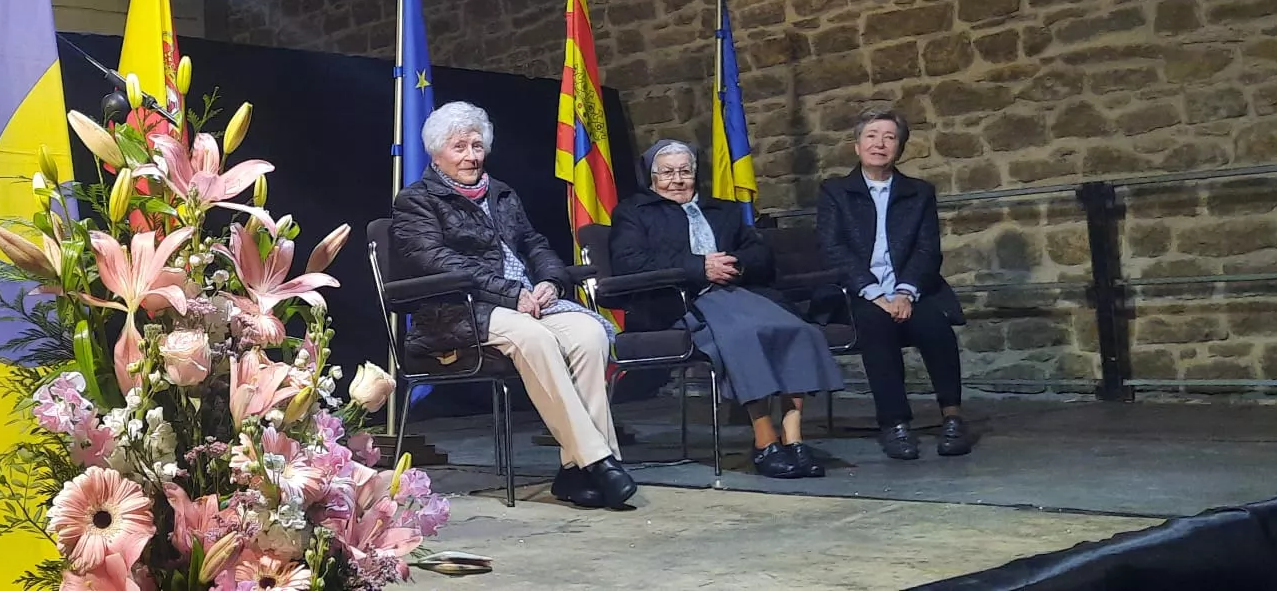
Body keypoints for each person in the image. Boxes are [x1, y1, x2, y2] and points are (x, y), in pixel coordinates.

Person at [391, 102, 636, 509]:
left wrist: (550, 282)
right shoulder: (416, 201)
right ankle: (599, 460)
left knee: (589, 333)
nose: (471, 155)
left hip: (523, 302)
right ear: (436, 153)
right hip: (457, 311)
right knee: (534, 337)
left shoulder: (501, 193)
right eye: (459, 147)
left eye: (476, 145)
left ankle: (576, 469)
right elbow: (433, 260)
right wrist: (509, 292)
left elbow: (534, 243)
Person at [608, 140, 845, 479]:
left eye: (685, 171)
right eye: (668, 173)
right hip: (679, 301)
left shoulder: (723, 210)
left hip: (740, 292)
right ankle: (765, 442)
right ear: (651, 177)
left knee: (801, 331)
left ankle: (794, 440)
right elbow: (629, 262)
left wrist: (735, 264)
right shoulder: (634, 212)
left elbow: (760, 254)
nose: (677, 180)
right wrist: (698, 268)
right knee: (743, 338)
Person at [815, 107, 974, 460]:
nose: (879, 144)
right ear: (857, 146)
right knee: (875, 325)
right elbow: (832, 248)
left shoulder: (918, 192)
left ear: (900, 148)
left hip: (910, 291)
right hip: (857, 292)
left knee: (935, 325)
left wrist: (905, 291)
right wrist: (873, 292)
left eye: (889, 137)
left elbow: (928, 249)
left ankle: (952, 417)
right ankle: (894, 423)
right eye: (871, 136)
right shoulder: (835, 192)